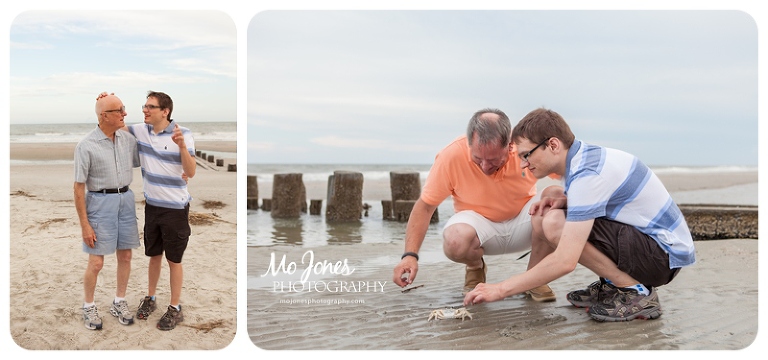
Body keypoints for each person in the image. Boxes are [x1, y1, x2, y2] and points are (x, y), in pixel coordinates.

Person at [464, 107, 696, 322]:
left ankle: (634, 291)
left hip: (663, 258)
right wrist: (565, 200)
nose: (524, 164)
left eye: (527, 155)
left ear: (553, 145)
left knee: (555, 223)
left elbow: (565, 261)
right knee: (548, 210)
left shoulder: (587, 173)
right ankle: (613, 285)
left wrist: (500, 289)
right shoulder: (583, 159)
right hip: (653, 248)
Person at [392, 108, 557, 300]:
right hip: (479, 228)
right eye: (478, 159)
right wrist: (410, 255)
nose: (485, 167)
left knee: (555, 197)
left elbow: (567, 173)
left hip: (524, 222)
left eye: (494, 159)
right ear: (470, 143)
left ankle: (535, 277)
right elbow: (426, 206)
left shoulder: (525, 150)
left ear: (510, 146)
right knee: (454, 239)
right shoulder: (451, 155)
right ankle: (475, 268)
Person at [127, 91, 196, 331]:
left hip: (176, 209)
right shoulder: (140, 130)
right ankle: (151, 297)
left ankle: (175, 308)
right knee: (153, 256)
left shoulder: (183, 133)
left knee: (173, 260)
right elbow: (113, 125)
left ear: (165, 111)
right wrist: (103, 102)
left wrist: (182, 147)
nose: (145, 110)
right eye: (144, 106)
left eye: (150, 107)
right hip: (152, 207)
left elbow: (191, 171)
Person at [74, 94, 141, 330]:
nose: (124, 113)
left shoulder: (128, 139)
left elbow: (155, 139)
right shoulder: (86, 146)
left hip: (126, 199)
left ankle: (119, 301)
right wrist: (85, 225)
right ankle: (88, 305)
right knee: (96, 263)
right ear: (104, 116)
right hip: (100, 204)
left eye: (124, 108)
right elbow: (78, 187)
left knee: (126, 256)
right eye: (119, 110)